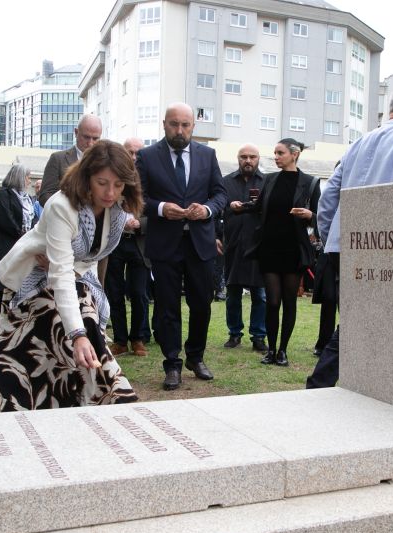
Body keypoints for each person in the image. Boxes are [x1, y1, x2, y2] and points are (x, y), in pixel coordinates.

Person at [0, 140, 140, 410]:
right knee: (33, 368)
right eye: (102, 183)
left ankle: (104, 401)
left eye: (119, 185)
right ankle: (119, 396)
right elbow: (60, 274)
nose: (110, 192)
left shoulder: (117, 212)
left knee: (76, 356)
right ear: (86, 177)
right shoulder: (62, 206)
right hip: (32, 288)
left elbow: (87, 260)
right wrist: (78, 334)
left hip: (75, 285)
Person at [307, 84, 393, 388]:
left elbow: (328, 199)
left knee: (361, 319)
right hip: (383, 246)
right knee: (363, 321)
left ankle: (364, 381)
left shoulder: (358, 142)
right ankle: (321, 383)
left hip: (342, 243)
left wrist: (331, 238)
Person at [136, 102, 227, 391]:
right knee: (167, 307)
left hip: (200, 243)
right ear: (164, 124)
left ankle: (196, 357)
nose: (179, 130)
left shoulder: (208, 155)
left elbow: (220, 194)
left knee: (202, 303)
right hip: (165, 244)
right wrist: (162, 208)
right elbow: (138, 197)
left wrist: (209, 210)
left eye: (185, 125)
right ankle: (172, 363)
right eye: (174, 124)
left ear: (193, 127)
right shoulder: (148, 157)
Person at [238, 138, 318, 366]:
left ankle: (283, 350)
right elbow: (258, 206)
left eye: (280, 153)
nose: (276, 157)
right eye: (274, 152)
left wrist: (309, 215)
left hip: (293, 249)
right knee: (272, 301)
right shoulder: (270, 179)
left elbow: (321, 214)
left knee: (289, 301)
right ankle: (270, 350)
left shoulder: (310, 182)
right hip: (269, 248)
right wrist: (239, 207)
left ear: (294, 154)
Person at [106, 137, 150, 357]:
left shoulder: (149, 177)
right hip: (114, 243)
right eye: (129, 152)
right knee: (114, 292)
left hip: (140, 244)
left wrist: (139, 223)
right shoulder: (111, 174)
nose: (133, 157)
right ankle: (120, 340)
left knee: (140, 294)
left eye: (137, 152)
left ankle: (138, 339)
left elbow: (155, 211)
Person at [221, 144, 267, 352]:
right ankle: (234, 333)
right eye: (243, 157)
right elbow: (215, 210)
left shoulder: (267, 183)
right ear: (237, 159)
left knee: (260, 294)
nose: (248, 160)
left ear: (258, 159)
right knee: (233, 293)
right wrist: (215, 236)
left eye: (252, 157)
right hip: (233, 245)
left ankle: (258, 336)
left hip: (259, 247)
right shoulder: (225, 182)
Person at [0, 164, 34, 327]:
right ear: (19, 177)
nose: (29, 180)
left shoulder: (27, 197)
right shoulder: (4, 195)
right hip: (8, 242)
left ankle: (19, 309)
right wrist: (20, 233)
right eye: (27, 176)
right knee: (7, 276)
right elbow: (5, 218)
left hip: (25, 242)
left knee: (23, 276)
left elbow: (33, 217)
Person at [39, 114, 102, 206]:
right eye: (86, 137)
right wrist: (68, 208)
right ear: (76, 132)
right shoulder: (57, 159)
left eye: (95, 139)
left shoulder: (105, 162)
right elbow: (45, 195)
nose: (90, 143)